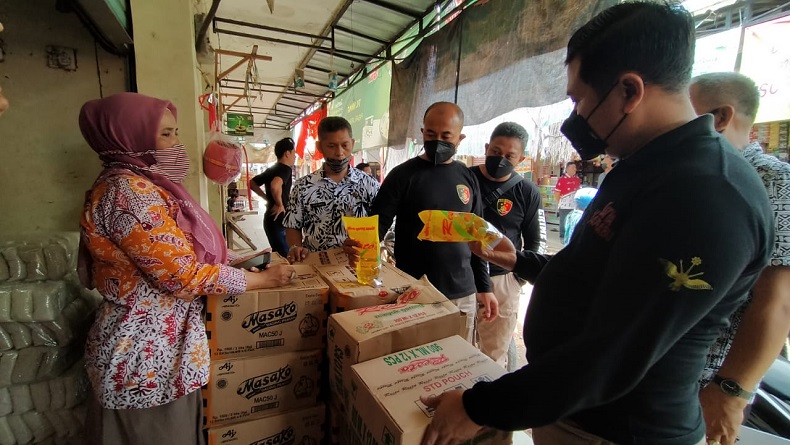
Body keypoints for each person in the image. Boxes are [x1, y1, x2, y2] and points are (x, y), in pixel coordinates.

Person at [420, 3, 773, 445]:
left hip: (621, 430)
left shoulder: (707, 195)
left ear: (629, 91)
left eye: (579, 101)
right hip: (573, 414)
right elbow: (601, 278)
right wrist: (524, 261)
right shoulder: (642, 166)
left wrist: (479, 408)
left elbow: (614, 351)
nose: (576, 118)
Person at [77, 93, 296, 445]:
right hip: (146, 358)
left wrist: (234, 265)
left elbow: (171, 258)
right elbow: (181, 275)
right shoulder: (128, 193)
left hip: (159, 348)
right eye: (166, 134)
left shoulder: (143, 184)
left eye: (175, 132)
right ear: (128, 137)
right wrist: (260, 280)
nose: (177, 143)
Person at [689, 72, 790, 445]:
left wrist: (730, 392)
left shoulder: (772, 182)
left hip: (708, 381)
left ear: (720, 118)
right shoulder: (704, 176)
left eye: (685, 116)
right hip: (670, 377)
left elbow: (778, 303)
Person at [360, 102, 498, 343]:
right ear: (422, 133)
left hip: (461, 293)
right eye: (431, 134)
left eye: (446, 136)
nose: (438, 141)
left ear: (460, 138)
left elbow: (477, 236)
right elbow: (376, 227)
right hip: (415, 291)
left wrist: (484, 287)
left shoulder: (467, 177)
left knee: (458, 363)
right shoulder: (402, 175)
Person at [470, 122, 545, 366]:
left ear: (520, 158)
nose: (500, 158)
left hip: (502, 281)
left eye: (509, 155)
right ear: (486, 148)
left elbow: (534, 241)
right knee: (456, 345)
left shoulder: (527, 191)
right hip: (462, 276)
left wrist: (516, 280)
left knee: (493, 353)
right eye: (495, 151)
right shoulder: (465, 178)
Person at [283, 116, 379, 262]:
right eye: (332, 146)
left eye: (345, 145)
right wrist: (295, 247)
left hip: (358, 265)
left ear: (352, 144)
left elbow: (380, 224)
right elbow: (293, 225)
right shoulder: (303, 186)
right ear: (320, 147)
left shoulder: (368, 184)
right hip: (315, 264)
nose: (339, 153)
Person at [249, 137, 296, 258]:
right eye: (294, 153)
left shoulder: (272, 169)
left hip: (270, 220)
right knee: (286, 257)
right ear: (287, 153)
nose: (295, 157)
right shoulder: (285, 169)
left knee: (279, 255)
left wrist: (267, 198)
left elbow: (252, 183)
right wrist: (279, 203)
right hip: (278, 219)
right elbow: (275, 185)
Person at [553, 161, 581, 243]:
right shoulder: (562, 180)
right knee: (564, 221)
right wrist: (559, 203)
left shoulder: (577, 179)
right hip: (564, 205)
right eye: (573, 167)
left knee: (573, 221)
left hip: (574, 205)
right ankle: (562, 236)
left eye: (575, 168)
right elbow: (557, 193)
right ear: (568, 169)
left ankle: (571, 236)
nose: (575, 169)